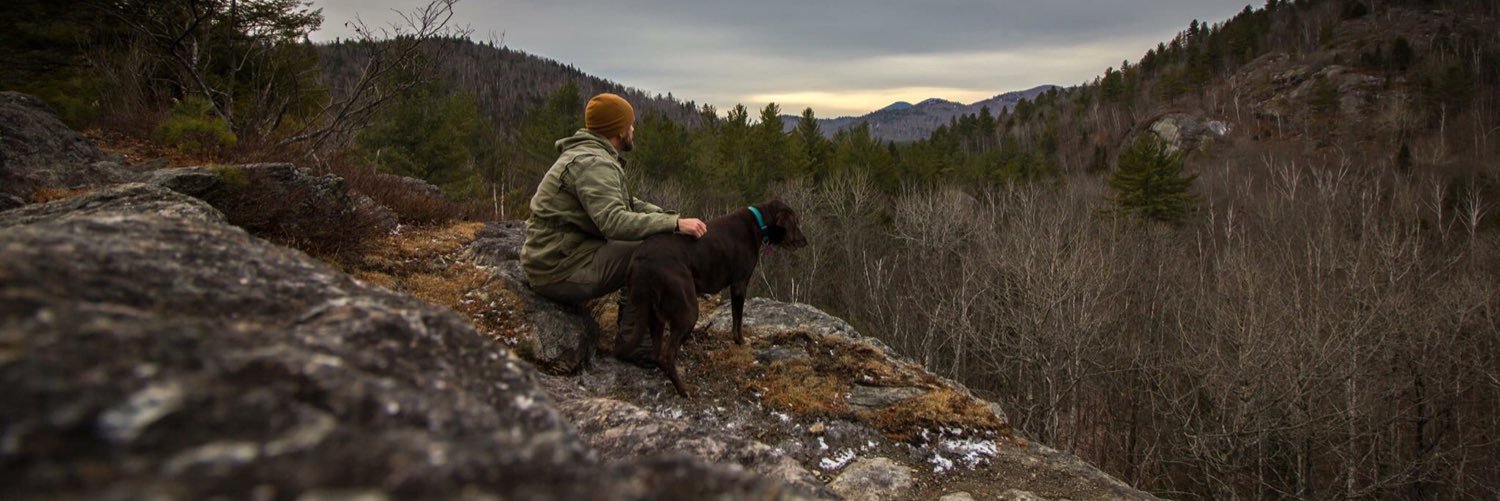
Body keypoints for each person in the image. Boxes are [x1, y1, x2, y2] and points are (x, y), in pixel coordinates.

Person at [520, 92, 708, 366]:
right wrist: (673, 224)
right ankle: (637, 343)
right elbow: (615, 221)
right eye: (630, 124)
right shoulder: (594, 164)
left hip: (559, 255)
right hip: (558, 269)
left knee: (651, 245)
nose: (633, 129)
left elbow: (629, 203)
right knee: (649, 254)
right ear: (618, 130)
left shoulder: (589, 155)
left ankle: (635, 328)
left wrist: (673, 219)